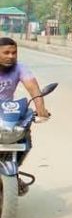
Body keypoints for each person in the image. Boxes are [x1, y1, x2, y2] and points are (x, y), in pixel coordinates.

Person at [0, 37, 49, 194]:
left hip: (6, 112)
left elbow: (33, 88)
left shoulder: (20, 68)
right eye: (6, 52)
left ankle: (13, 173)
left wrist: (41, 111)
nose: (11, 56)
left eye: (14, 52)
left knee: (24, 136)